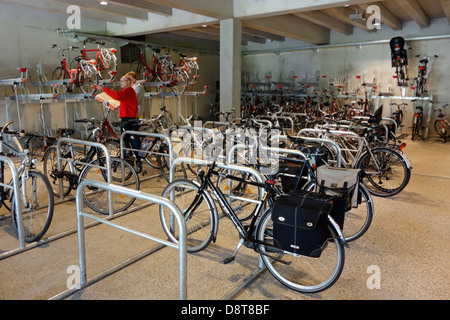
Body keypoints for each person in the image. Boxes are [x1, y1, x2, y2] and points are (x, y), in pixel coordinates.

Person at [93, 76, 142, 171]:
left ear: (128, 82)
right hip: (129, 118)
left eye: (122, 81)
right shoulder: (128, 91)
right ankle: (132, 158)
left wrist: (103, 89)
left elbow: (117, 96)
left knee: (125, 140)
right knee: (126, 140)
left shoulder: (128, 90)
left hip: (128, 119)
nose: (120, 83)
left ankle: (135, 159)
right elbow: (119, 98)